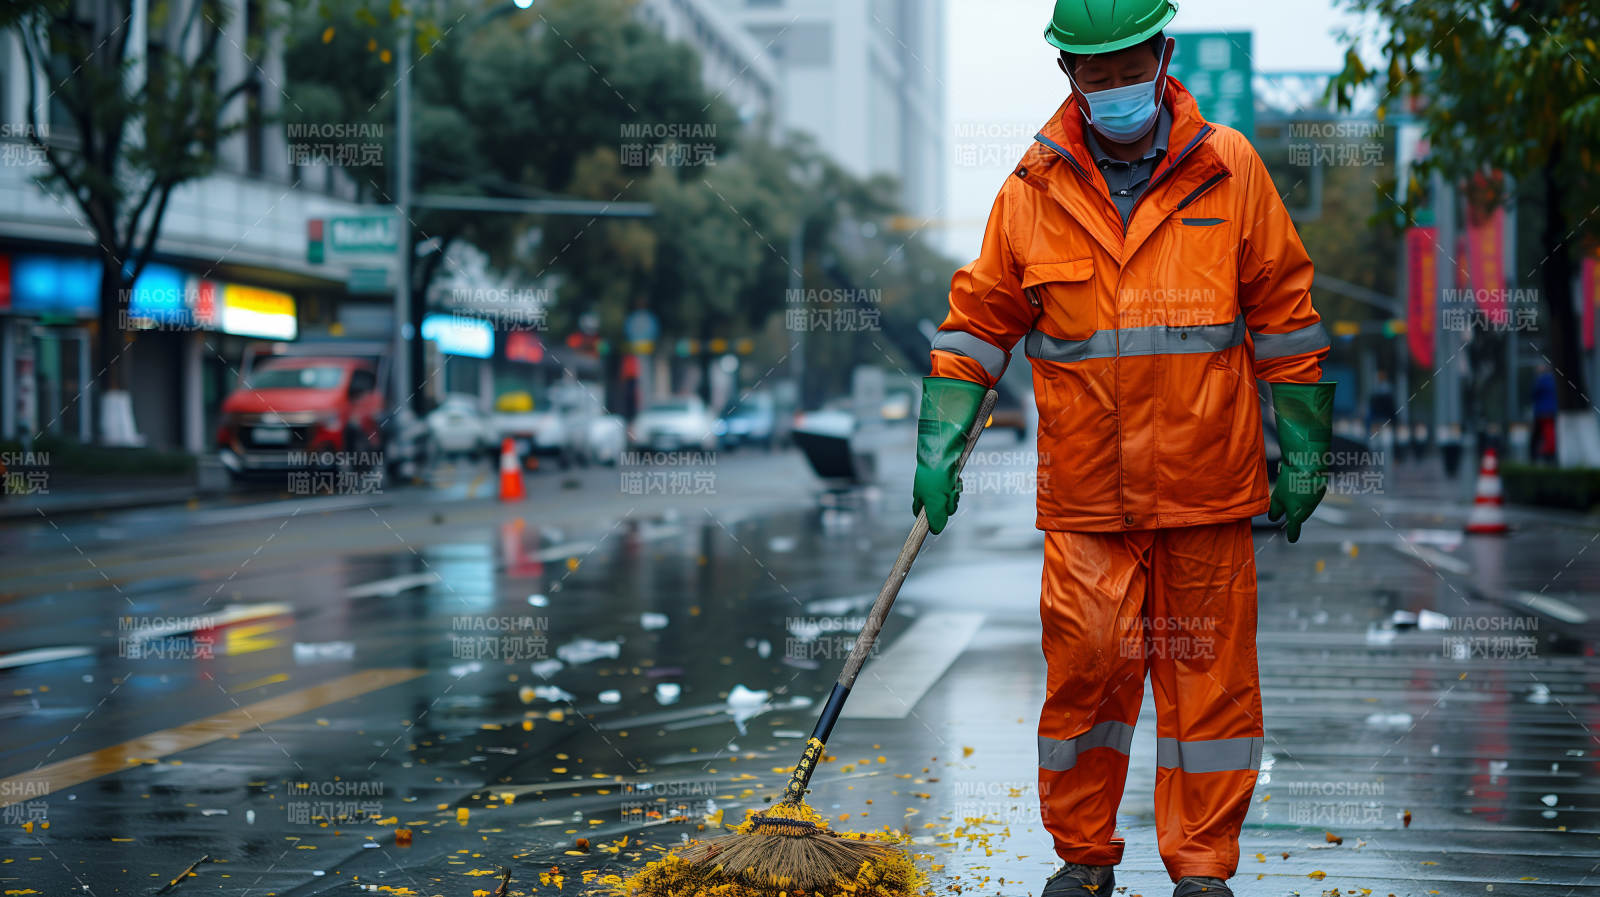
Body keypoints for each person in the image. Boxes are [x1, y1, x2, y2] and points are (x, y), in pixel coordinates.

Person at [911, 3, 1335, 895]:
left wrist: (1302, 445)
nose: (1109, 87)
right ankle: (1083, 859)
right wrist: (941, 438)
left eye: (1124, 66)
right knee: (1087, 681)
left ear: (1163, 55)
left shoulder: (1231, 172)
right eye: (1090, 73)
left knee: (1211, 692)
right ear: (1067, 74)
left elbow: (1286, 317)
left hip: (1206, 492)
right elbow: (979, 325)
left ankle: (1203, 867)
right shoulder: (1033, 189)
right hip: (1088, 500)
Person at [1532, 364, 1557, 462]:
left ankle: (1536, 456)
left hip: (1541, 412)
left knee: (1537, 436)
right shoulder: (1553, 380)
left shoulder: (1541, 381)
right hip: (1551, 412)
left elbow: (1534, 394)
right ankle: (1549, 453)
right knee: (1549, 433)